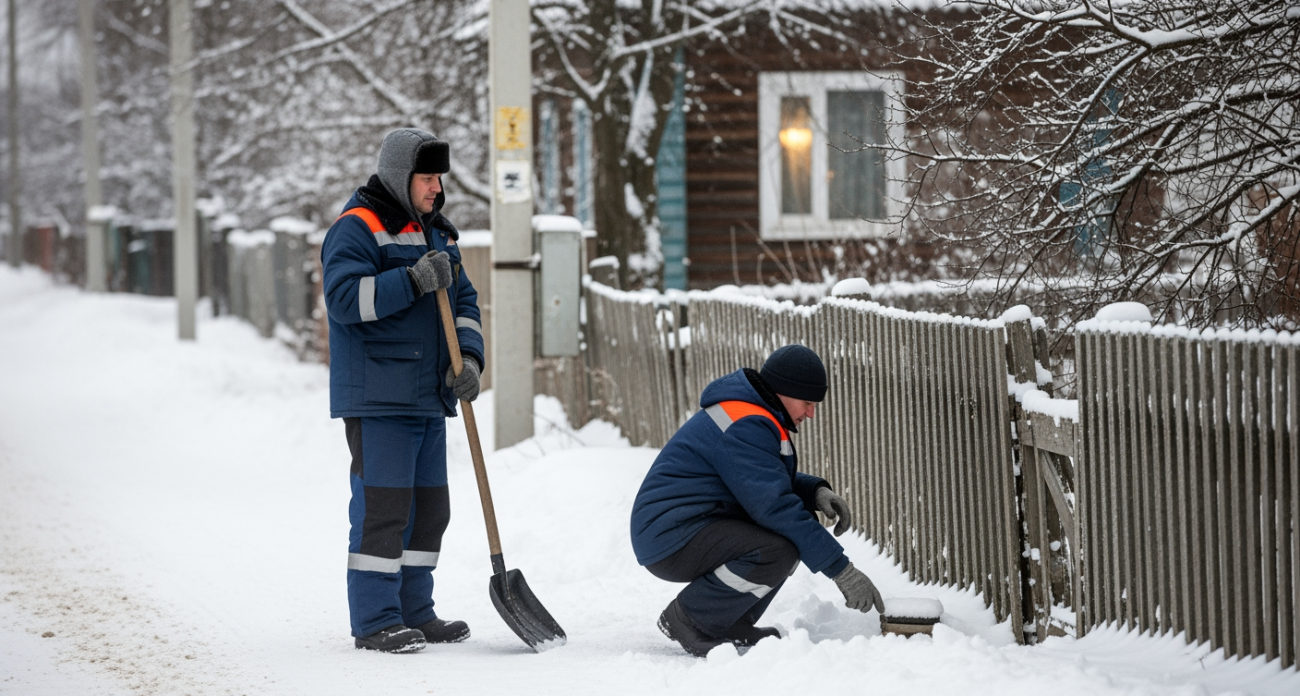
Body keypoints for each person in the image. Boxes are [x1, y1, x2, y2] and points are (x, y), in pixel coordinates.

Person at [321, 128, 486, 653]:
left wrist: (470, 359)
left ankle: (416, 611)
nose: (437, 188)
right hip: (379, 396)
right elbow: (346, 301)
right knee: (384, 511)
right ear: (400, 177)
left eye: (439, 178)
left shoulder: (440, 234)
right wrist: (412, 281)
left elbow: (465, 303)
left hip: (426, 397)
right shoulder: (358, 228)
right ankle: (375, 620)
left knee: (430, 511)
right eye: (427, 177)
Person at [630, 344, 885, 657]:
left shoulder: (753, 414)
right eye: (806, 402)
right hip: (671, 536)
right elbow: (774, 506)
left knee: (785, 540)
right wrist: (841, 570)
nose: (810, 413)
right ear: (783, 392)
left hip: (683, 525)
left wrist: (814, 491)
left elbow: (760, 477)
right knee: (777, 548)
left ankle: (727, 620)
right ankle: (692, 618)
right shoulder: (747, 422)